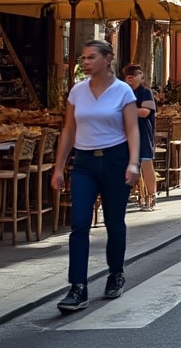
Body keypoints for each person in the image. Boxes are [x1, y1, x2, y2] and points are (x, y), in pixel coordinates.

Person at [51, 39, 140, 313]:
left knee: (114, 221)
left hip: (115, 159)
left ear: (107, 58)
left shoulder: (123, 91)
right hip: (84, 162)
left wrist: (133, 163)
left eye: (91, 57)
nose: (85, 62)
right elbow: (69, 130)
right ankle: (77, 286)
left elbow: (132, 129)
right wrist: (59, 166)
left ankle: (116, 273)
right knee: (79, 223)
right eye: (83, 57)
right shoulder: (77, 91)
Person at [123, 64, 157, 211]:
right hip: (126, 133)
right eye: (128, 77)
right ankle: (133, 194)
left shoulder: (145, 92)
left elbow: (145, 112)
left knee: (146, 164)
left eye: (133, 76)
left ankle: (151, 195)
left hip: (143, 132)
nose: (130, 80)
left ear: (140, 77)